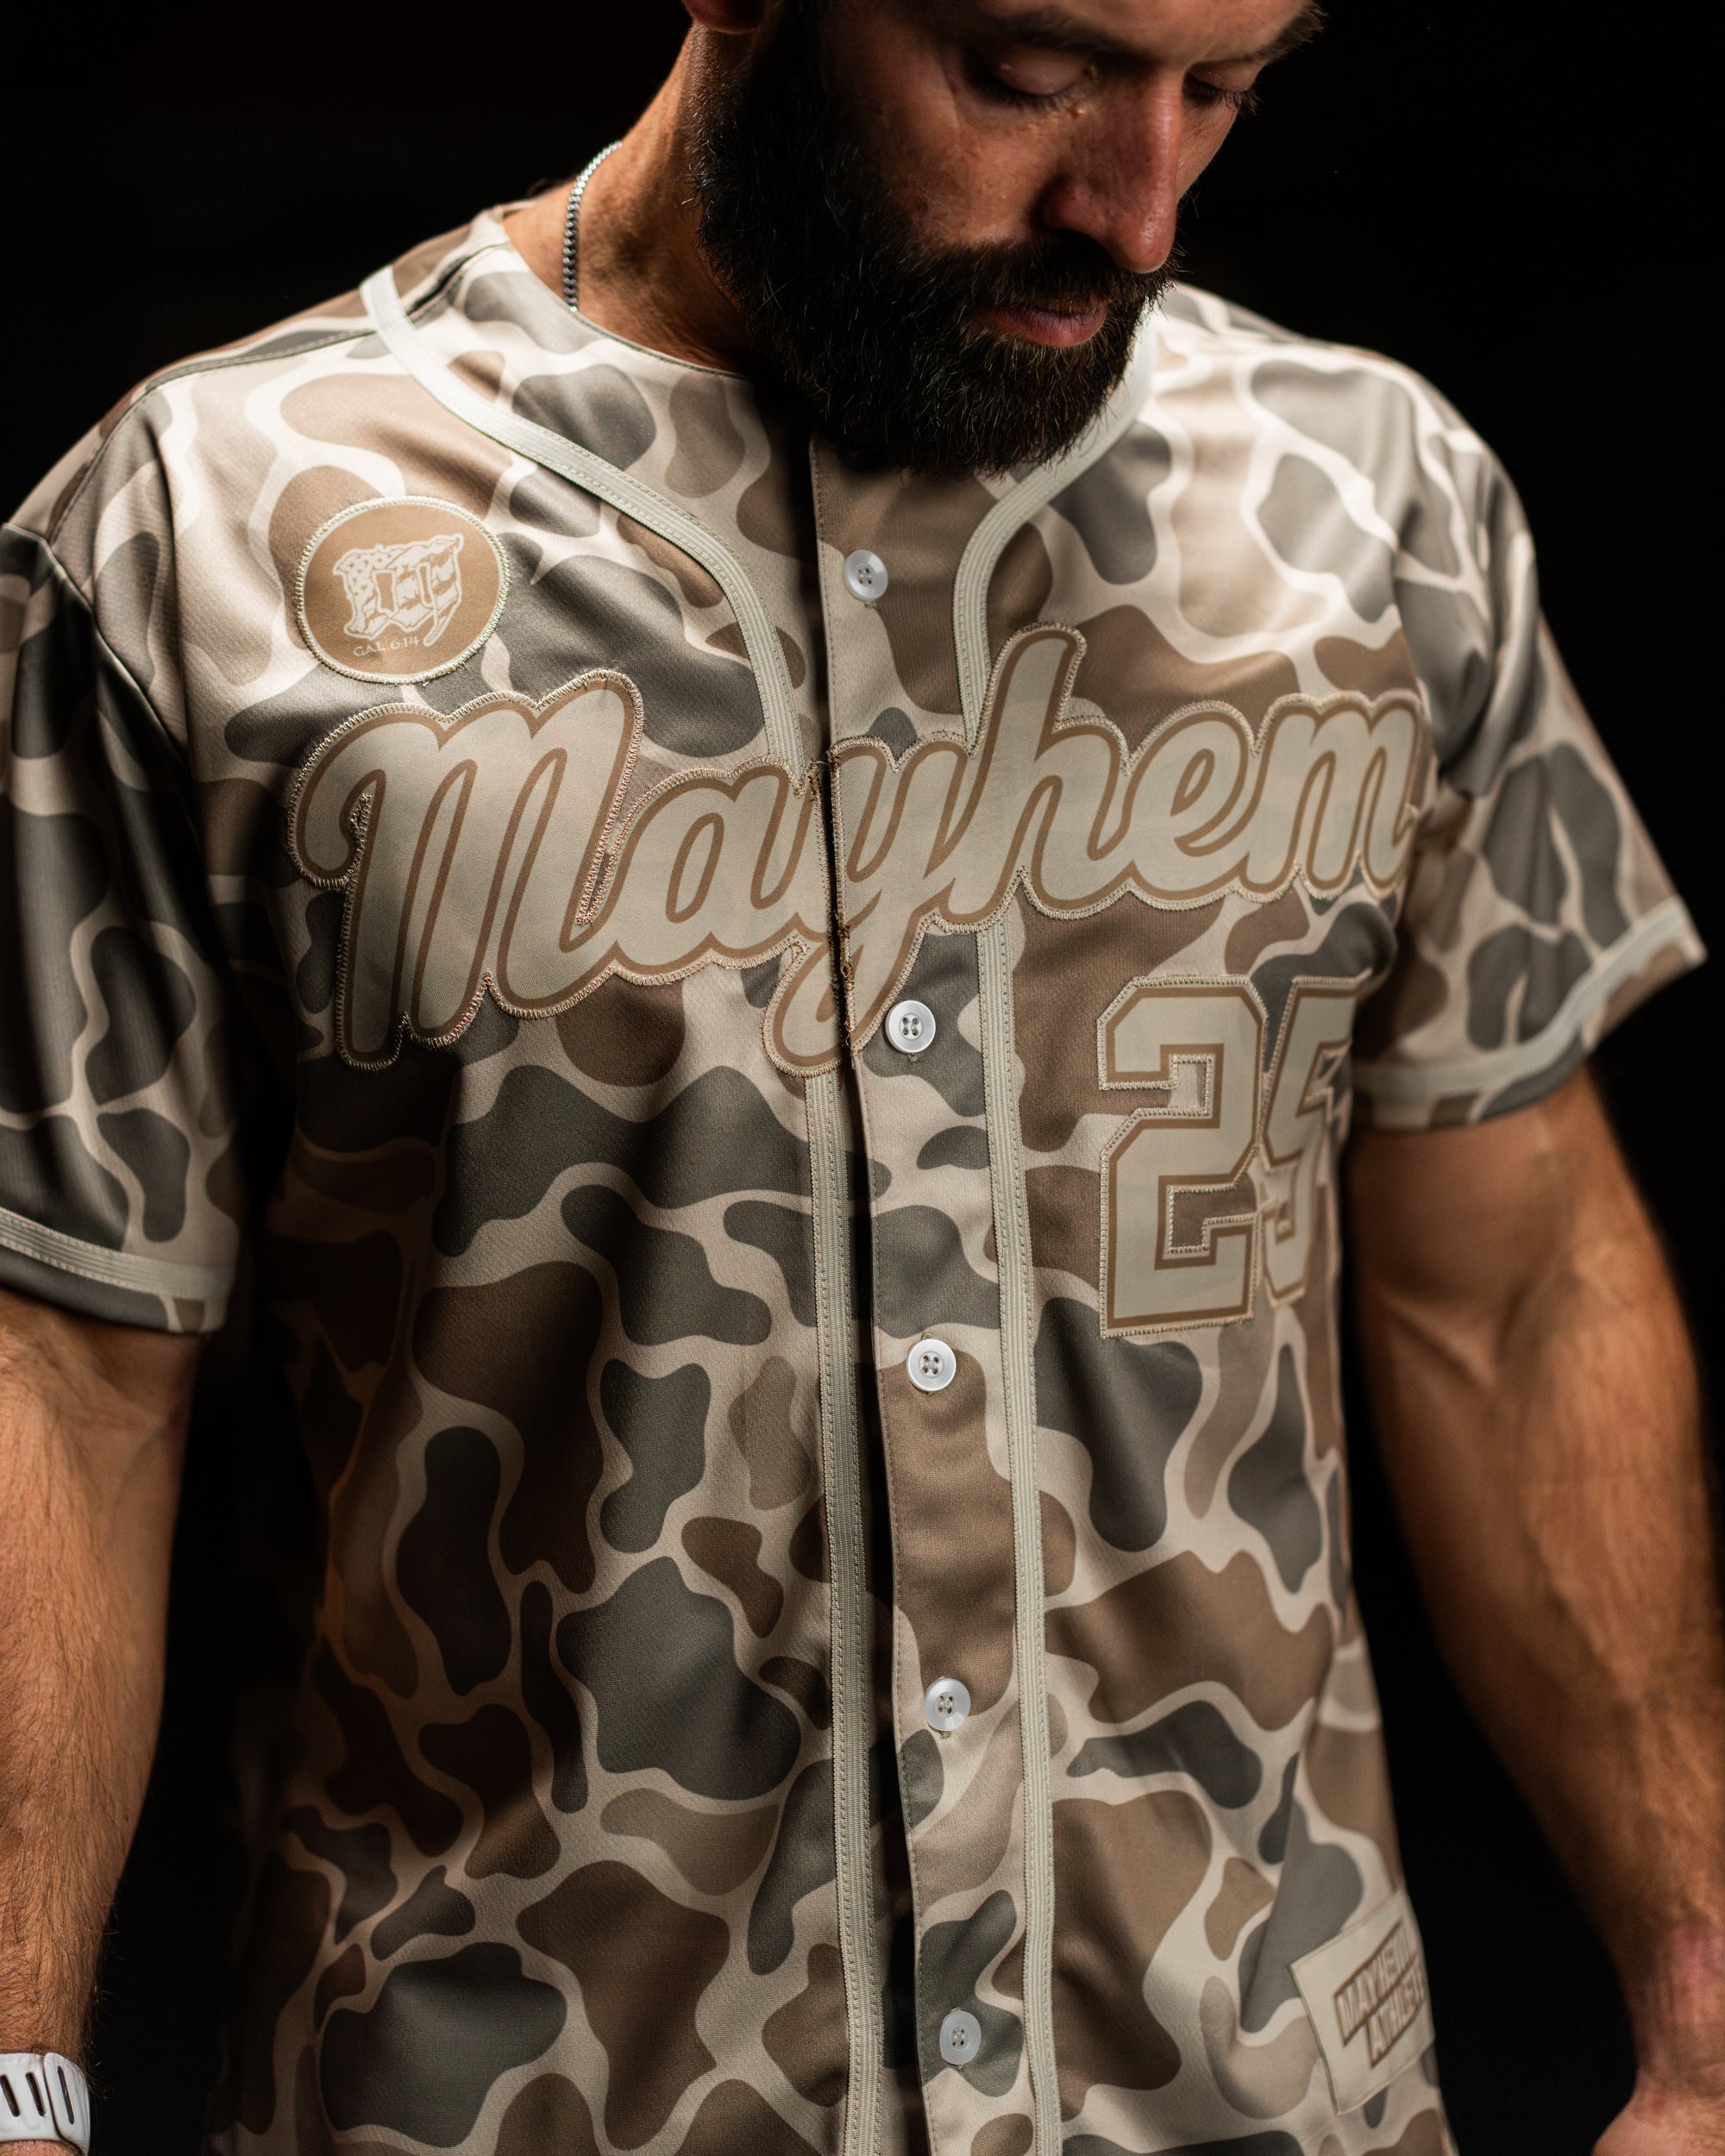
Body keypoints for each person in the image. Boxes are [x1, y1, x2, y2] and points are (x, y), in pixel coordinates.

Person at [1, 0, 1720, 2149]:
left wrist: (1703, 2017)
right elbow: (61, 1376)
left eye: (1223, 91)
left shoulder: (1379, 514)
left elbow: (1517, 1290)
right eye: (1030, 75)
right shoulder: (204, 531)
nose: (1139, 213)